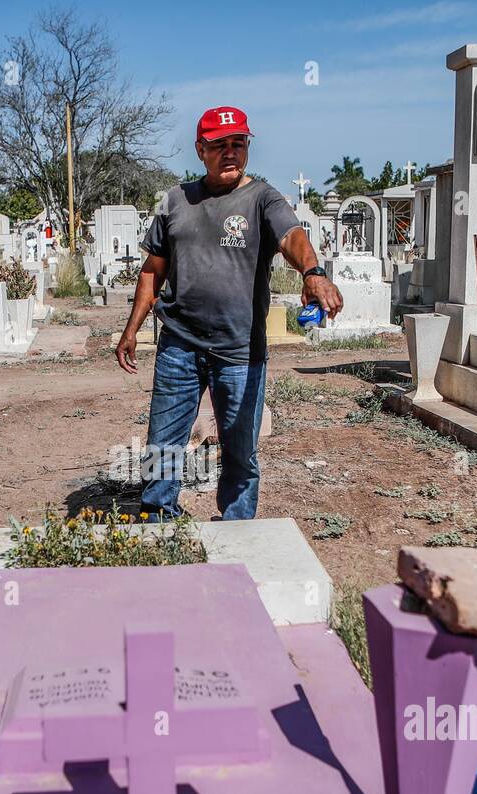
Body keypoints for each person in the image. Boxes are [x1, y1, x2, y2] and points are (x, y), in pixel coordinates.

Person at [116, 105, 342, 520]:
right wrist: (131, 329)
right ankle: (156, 514)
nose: (231, 152)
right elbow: (153, 271)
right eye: (220, 145)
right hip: (179, 346)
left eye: (239, 143)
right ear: (201, 149)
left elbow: (291, 236)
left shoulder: (262, 198)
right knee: (162, 441)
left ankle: (237, 526)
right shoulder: (175, 201)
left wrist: (312, 272)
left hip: (239, 351)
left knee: (240, 448)